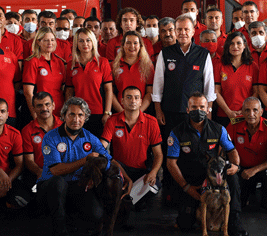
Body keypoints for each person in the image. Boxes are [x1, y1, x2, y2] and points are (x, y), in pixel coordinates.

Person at [36, 97, 131, 236]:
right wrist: (85, 160)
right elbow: (56, 171)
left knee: (96, 215)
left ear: (85, 117)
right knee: (59, 183)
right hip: (50, 186)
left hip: (77, 185)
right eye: (71, 114)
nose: (76, 119)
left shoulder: (90, 138)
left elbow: (109, 159)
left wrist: (126, 177)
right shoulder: (51, 137)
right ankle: (60, 229)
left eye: (80, 115)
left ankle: (72, 217)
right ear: (63, 116)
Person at [152, 15, 216, 204]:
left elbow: (209, 87)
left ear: (193, 30)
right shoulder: (166, 53)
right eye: (178, 29)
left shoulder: (203, 54)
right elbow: (158, 84)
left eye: (186, 29)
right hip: (170, 112)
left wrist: (208, 113)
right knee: (170, 154)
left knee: (193, 154)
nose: (182, 33)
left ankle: (194, 194)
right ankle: (170, 194)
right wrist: (158, 109)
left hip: (195, 115)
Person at [166, 93, 248, 236]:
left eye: (202, 107)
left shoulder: (219, 129)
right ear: (187, 109)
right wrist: (187, 187)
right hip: (191, 177)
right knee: (185, 225)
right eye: (194, 107)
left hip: (214, 174)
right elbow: (171, 163)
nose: (198, 110)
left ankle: (234, 219)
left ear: (208, 109)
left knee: (233, 178)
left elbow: (232, 150)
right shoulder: (176, 132)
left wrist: (235, 165)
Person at [100, 86, 162, 205]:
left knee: (155, 187)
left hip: (142, 171)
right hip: (119, 169)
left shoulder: (151, 122)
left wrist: (154, 172)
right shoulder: (112, 120)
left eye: (136, 98)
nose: (133, 101)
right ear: (122, 101)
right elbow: (102, 147)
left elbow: (158, 154)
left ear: (140, 102)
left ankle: (133, 202)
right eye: (129, 97)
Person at [227, 97, 267, 213]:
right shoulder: (234, 123)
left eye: (255, 110)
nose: (251, 114)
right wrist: (234, 165)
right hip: (241, 169)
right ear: (242, 111)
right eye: (247, 110)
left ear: (261, 112)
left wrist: (254, 170)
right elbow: (224, 148)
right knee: (238, 205)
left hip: (260, 169)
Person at [65, 28, 113, 137]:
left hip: (98, 113)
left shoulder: (103, 62)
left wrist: (107, 113)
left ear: (93, 42)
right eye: (81, 41)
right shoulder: (71, 65)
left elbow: (108, 90)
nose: (85, 44)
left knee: (96, 150)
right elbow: (69, 91)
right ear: (76, 44)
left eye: (88, 40)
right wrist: (68, 112)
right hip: (77, 114)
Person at [214, 32, 258, 126]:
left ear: (244, 45)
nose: (235, 46)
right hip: (224, 115)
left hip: (247, 115)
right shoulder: (219, 65)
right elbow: (216, 91)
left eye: (238, 43)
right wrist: (228, 111)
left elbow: (256, 92)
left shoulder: (253, 66)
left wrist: (245, 110)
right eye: (231, 43)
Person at [21, 92, 62, 191]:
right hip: (38, 174)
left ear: (53, 105)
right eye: (39, 105)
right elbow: (29, 160)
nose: (44, 109)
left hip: (62, 173)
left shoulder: (64, 127)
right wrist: (40, 172)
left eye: (47, 104)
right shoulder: (27, 130)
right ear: (33, 108)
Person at [23, 27, 66, 118]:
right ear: (38, 42)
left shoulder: (60, 62)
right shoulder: (32, 62)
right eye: (46, 40)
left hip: (59, 111)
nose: (50, 43)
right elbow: (28, 92)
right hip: (41, 111)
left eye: (52, 40)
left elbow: (63, 89)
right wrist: (35, 114)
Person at [110, 31, 154, 113]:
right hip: (119, 111)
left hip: (142, 113)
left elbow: (149, 93)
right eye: (128, 43)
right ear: (123, 46)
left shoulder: (148, 66)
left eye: (135, 43)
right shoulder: (113, 65)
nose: (132, 46)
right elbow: (110, 92)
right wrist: (122, 111)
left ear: (140, 46)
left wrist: (138, 113)